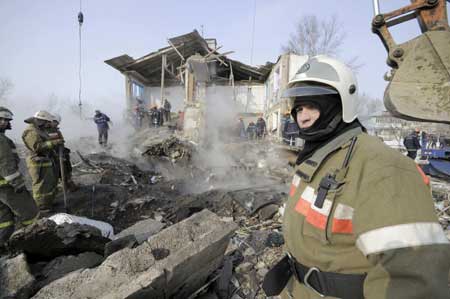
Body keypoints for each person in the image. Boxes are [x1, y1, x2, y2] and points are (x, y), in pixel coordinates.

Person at [263, 56, 450, 299]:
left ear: (340, 104)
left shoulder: (383, 168)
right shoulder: (316, 158)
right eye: (299, 108)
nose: (303, 117)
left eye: (313, 106)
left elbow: (414, 282)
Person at [0, 107, 39, 246]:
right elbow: (6, 164)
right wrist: (18, 184)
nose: (4, 122)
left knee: (4, 221)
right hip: (7, 187)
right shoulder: (1, 140)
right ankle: (32, 246)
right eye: (1, 119)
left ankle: (3, 247)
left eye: (7, 120)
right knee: (30, 214)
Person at [22, 110, 61, 210]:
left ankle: (47, 203)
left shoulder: (39, 129)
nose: (48, 125)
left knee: (48, 184)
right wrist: (54, 143)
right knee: (41, 186)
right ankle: (41, 207)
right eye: (46, 122)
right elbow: (36, 147)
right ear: (40, 120)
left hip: (44, 161)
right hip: (36, 163)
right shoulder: (31, 131)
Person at [47, 113, 78, 192]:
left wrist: (63, 150)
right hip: (52, 155)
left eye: (57, 123)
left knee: (66, 169)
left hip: (60, 153)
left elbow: (61, 141)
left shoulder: (57, 131)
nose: (55, 124)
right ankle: (60, 188)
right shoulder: (44, 131)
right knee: (57, 172)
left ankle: (68, 184)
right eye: (55, 122)